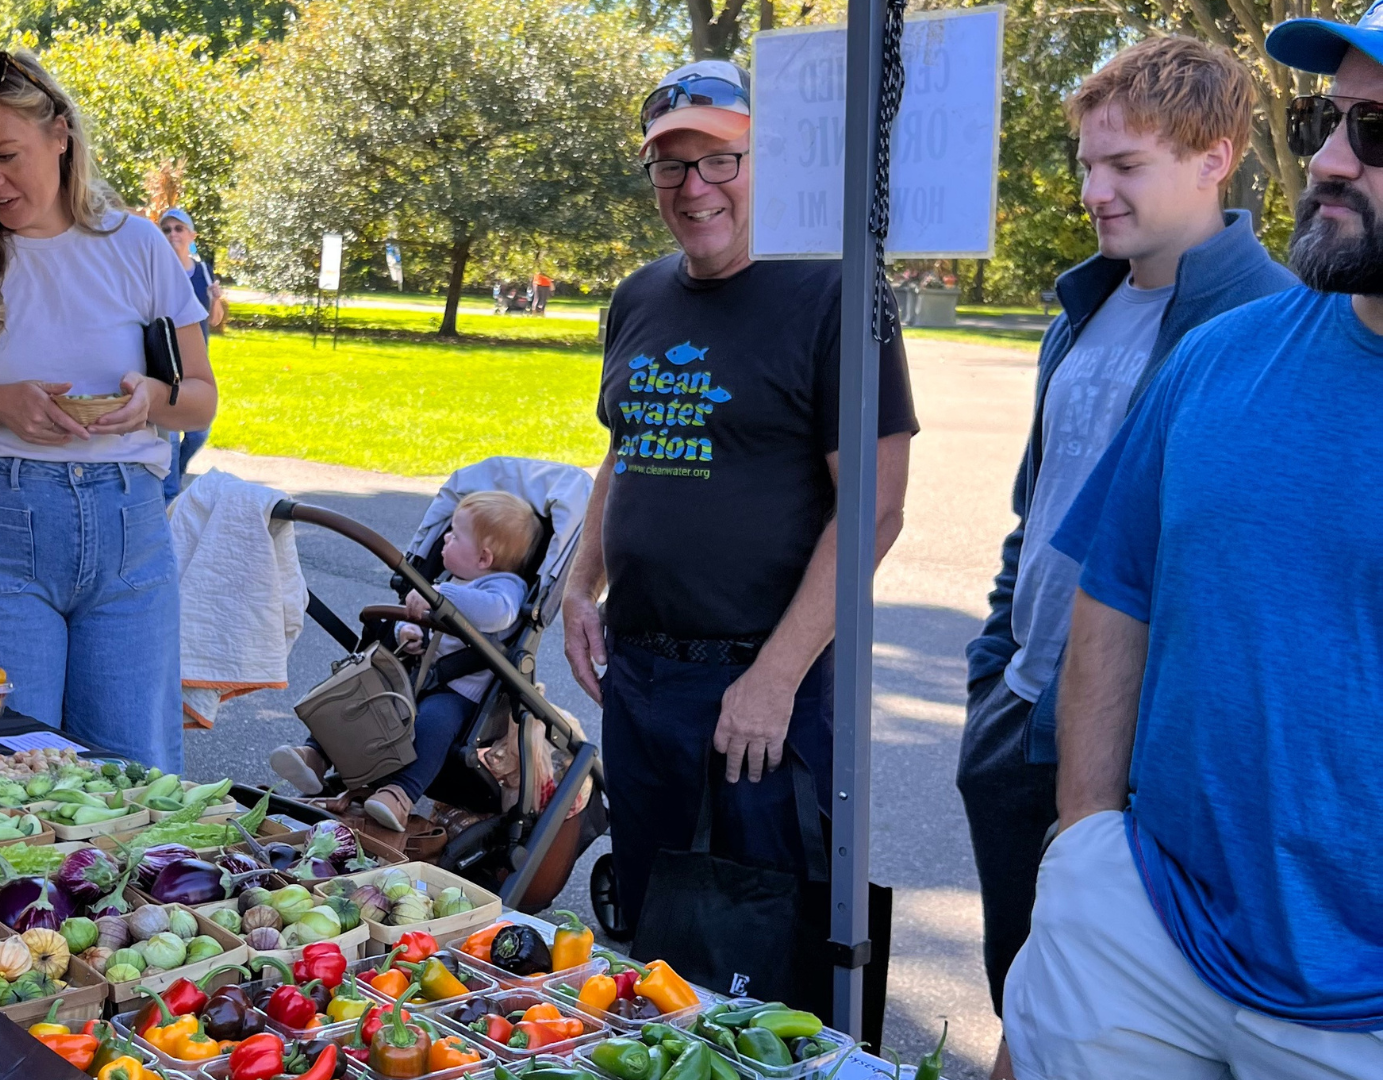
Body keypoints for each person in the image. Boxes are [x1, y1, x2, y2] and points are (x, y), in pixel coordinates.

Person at [1000, 13, 1383, 1078]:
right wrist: (1084, 842)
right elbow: (1114, 588)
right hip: (1144, 936)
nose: (1331, 160)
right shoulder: (1220, 357)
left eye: (1377, 133)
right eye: (1324, 121)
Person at [956, 37, 1297, 1080]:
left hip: (1135, 750)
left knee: (1113, 1032)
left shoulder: (1271, 328)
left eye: (1127, 167)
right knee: (1025, 992)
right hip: (1019, 709)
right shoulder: (1085, 307)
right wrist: (994, 669)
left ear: (1215, 159)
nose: (1095, 191)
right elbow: (1036, 506)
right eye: (1089, 164)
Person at [559, 59, 917, 935]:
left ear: (771, 162)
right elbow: (626, 448)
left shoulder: (838, 293)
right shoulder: (638, 296)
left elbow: (875, 505)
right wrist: (579, 583)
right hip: (640, 682)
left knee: (755, 945)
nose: (694, 187)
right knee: (650, 929)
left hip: (760, 690)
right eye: (672, 164)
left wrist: (776, 677)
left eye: (722, 159)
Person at [0, 50, 213, 770]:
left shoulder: (139, 246)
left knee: (133, 773)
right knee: (3, 765)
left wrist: (151, 398)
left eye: (4, 154)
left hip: (129, 529)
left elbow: (199, 399)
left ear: (61, 134)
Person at [269, 490, 545, 829]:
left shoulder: (504, 587)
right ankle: (315, 755)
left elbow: (497, 615)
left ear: (484, 558)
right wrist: (405, 631)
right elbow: (415, 616)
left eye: (456, 535)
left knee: (433, 724)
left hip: (458, 693)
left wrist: (437, 596)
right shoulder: (452, 580)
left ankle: (400, 794)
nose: (445, 537)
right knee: (359, 695)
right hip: (414, 675)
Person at [157, 207, 224, 502]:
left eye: (178, 229)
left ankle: (178, 472)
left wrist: (217, 300)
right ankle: (169, 496)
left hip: (196, 364)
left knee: (198, 432)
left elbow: (214, 320)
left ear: (191, 235)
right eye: (166, 229)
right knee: (170, 435)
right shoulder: (155, 270)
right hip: (165, 363)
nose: (173, 234)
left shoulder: (203, 272)